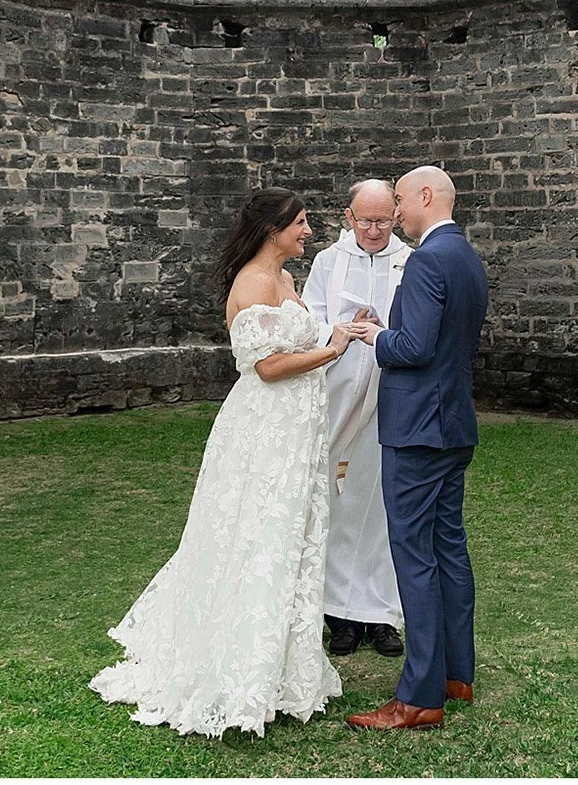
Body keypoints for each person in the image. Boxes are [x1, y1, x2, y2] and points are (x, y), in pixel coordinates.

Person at [90, 188, 355, 737]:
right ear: (272, 229)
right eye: (301, 223)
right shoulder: (254, 284)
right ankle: (237, 671)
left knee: (290, 536)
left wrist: (333, 337)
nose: (309, 231)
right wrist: (333, 348)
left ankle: (283, 670)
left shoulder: (284, 280)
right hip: (266, 432)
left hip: (295, 429)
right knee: (257, 534)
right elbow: (268, 367)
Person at [339, 165, 489, 732]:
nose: (396, 211)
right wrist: (394, 326)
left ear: (427, 196)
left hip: (416, 430)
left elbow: (416, 348)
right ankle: (456, 673)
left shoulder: (427, 258)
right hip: (452, 425)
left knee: (415, 556)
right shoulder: (465, 256)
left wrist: (375, 335)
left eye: (400, 199)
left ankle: (421, 695)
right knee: (448, 546)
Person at [301, 179, 409, 658]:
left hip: (390, 399)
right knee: (337, 504)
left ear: (396, 217)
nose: (372, 229)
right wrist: (340, 328)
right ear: (348, 217)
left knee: (384, 507)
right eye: (364, 220)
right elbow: (309, 322)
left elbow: (417, 326)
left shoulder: (410, 261)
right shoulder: (328, 261)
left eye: (382, 220)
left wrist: (383, 330)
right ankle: (339, 615)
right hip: (338, 396)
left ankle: (382, 614)